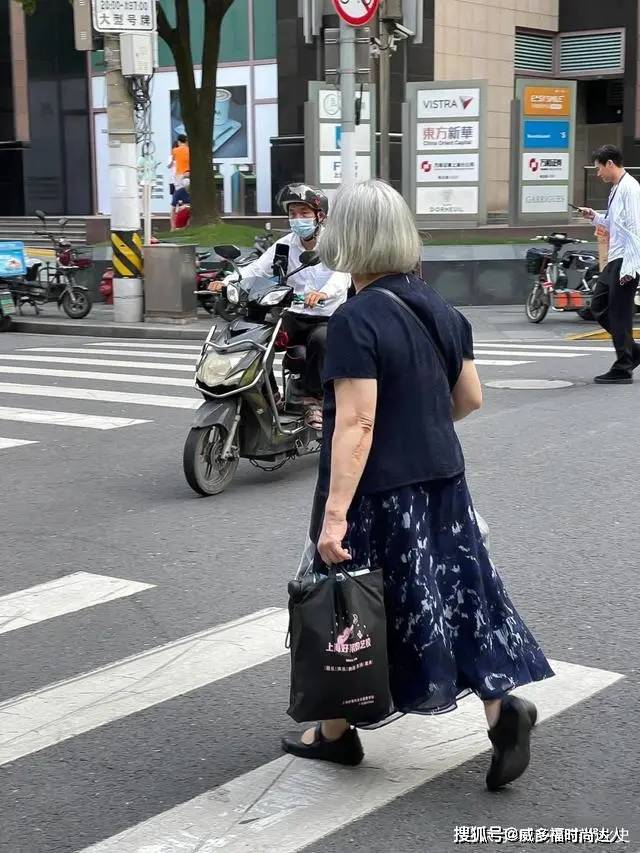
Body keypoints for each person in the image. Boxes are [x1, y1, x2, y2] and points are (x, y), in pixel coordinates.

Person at [281, 180, 554, 791]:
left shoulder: (354, 319)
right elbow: (470, 398)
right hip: (444, 485)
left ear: (349, 237)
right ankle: (501, 708)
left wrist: (333, 516)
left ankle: (335, 733)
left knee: (351, 606)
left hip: (380, 494)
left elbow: (356, 422)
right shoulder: (440, 308)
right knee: (456, 597)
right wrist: (419, 425)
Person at [210, 184, 350, 429]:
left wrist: (323, 293)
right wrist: (228, 281)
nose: (297, 219)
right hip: (293, 314)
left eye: (304, 213)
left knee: (321, 340)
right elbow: (256, 270)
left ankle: (313, 400)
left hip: (326, 316)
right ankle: (268, 393)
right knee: (255, 337)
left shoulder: (334, 243)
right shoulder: (285, 244)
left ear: (320, 215)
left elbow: (342, 275)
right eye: (293, 214)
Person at [580, 144, 640, 384]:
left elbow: (636, 229)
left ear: (610, 164)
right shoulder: (616, 189)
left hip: (626, 260)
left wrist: (630, 266)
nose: (597, 174)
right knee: (599, 306)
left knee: (619, 314)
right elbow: (615, 225)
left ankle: (623, 367)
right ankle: (633, 352)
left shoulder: (630, 188)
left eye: (598, 169)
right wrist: (594, 217)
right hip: (616, 258)